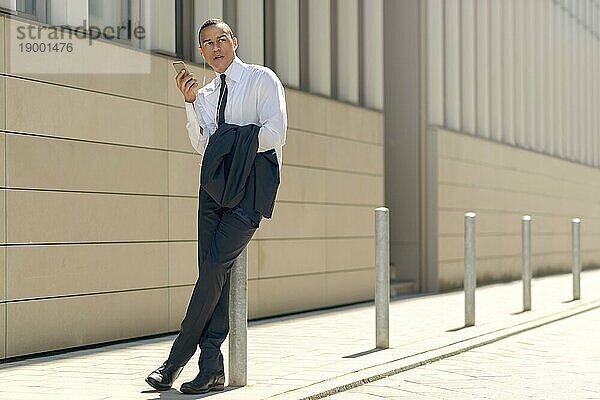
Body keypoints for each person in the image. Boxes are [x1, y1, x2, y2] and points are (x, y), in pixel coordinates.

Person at [145, 18, 287, 394]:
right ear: (202, 52)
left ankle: (174, 361)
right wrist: (191, 103)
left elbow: (274, 134)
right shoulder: (205, 95)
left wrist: (224, 141)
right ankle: (211, 368)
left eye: (221, 39)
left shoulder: (262, 80)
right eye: (206, 43)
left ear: (234, 41)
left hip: (251, 188)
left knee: (212, 270)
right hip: (212, 190)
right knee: (212, 274)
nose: (215, 47)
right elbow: (200, 145)